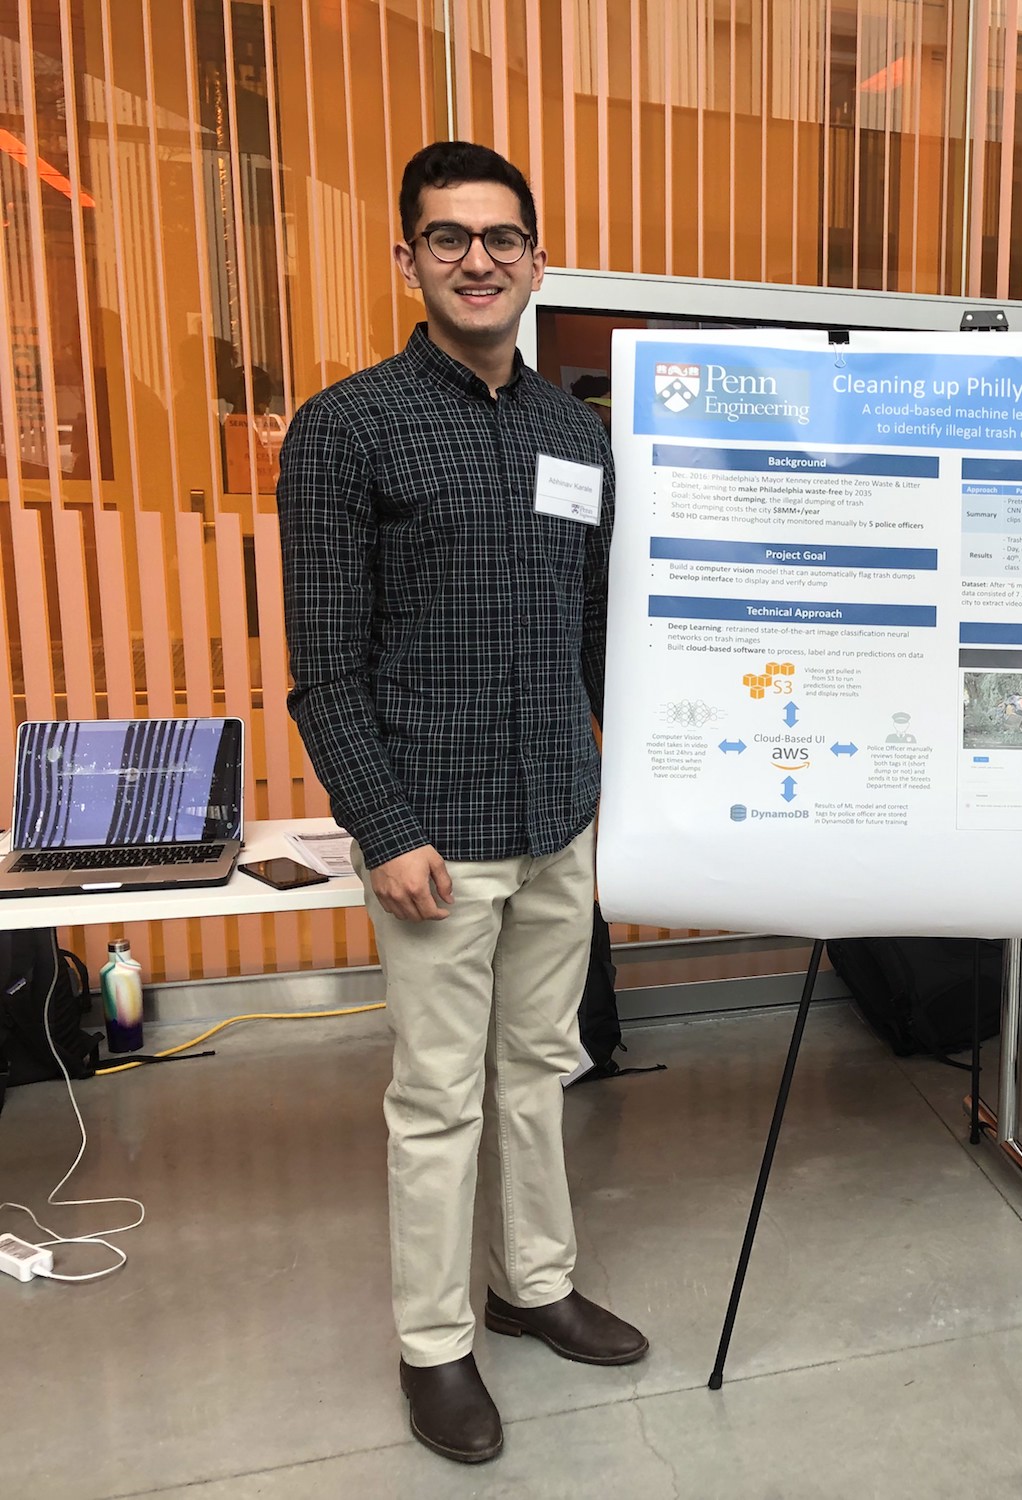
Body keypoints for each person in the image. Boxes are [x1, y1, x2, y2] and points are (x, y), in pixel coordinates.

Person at [277, 140, 645, 1466]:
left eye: (502, 238)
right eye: (449, 239)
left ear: (537, 261)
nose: (478, 260)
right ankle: (435, 1345)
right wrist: (386, 829)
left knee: (542, 1070)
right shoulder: (347, 428)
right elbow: (326, 668)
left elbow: (598, 638)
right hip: (434, 836)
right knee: (438, 1100)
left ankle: (533, 1284)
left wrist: (639, 784)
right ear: (408, 261)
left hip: (558, 813)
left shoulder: (574, 435)